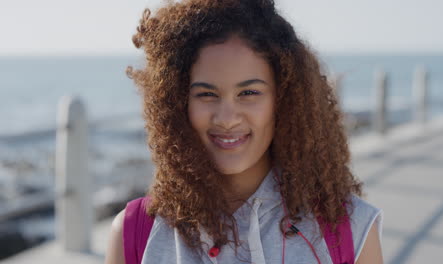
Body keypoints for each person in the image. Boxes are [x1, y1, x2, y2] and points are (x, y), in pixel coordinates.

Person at [105, 0, 383, 263]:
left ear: (284, 100)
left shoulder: (350, 229)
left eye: (249, 92)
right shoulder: (134, 233)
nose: (227, 118)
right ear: (177, 102)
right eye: (206, 94)